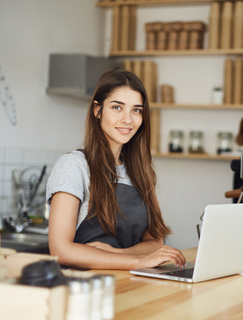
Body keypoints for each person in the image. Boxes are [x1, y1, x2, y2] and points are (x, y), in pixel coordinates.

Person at [46, 68, 186, 270]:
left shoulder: (139, 171)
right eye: (117, 107)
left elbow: (155, 242)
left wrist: (118, 254)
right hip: (86, 288)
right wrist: (138, 260)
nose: (128, 119)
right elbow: (60, 250)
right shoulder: (74, 166)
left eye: (136, 110)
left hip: (129, 285)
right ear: (97, 110)